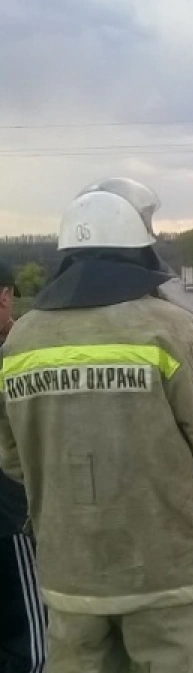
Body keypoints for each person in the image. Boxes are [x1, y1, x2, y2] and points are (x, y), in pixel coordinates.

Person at [0, 178, 193, 673]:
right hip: (166, 575)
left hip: (71, 577)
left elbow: (14, 459)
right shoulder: (169, 331)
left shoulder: (20, 343)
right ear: (139, 250)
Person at [0, 262, 48, 673]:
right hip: (10, 518)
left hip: (13, 512)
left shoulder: (21, 348)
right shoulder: (26, 350)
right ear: (6, 296)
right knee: (30, 648)